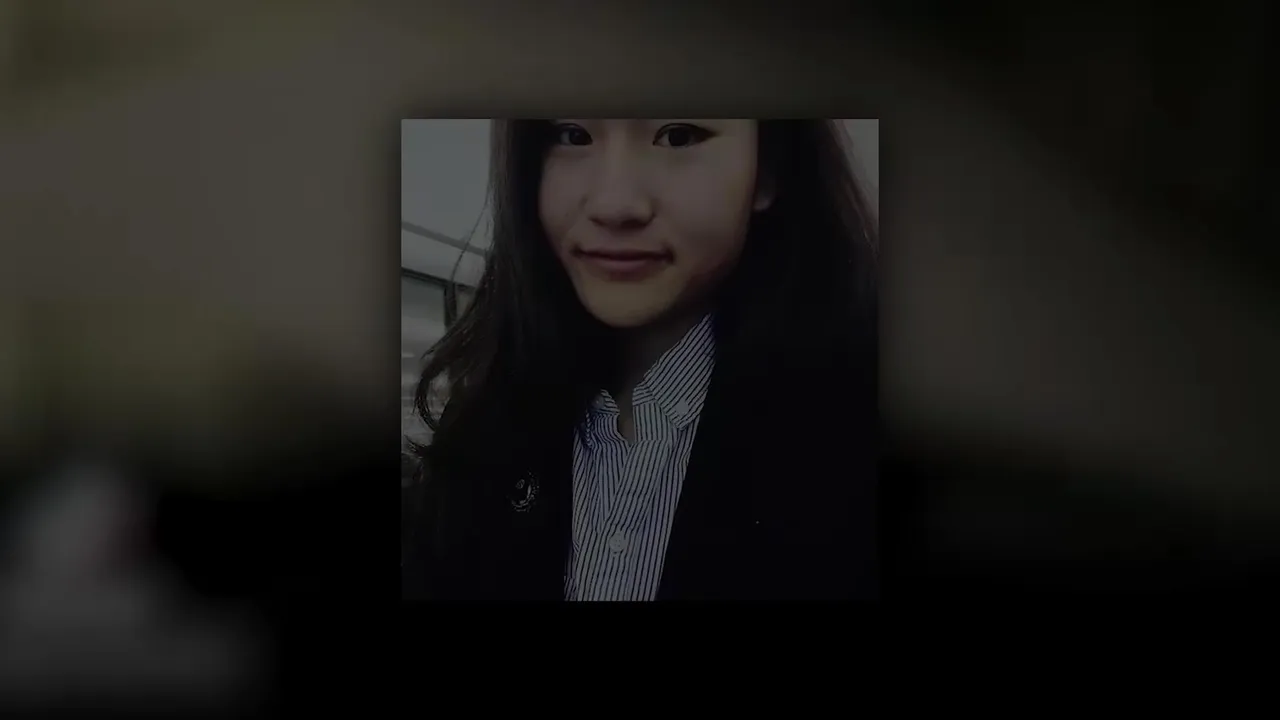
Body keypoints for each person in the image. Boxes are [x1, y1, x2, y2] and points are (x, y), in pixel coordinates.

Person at [402, 119, 878, 600]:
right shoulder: (484, 421)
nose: (614, 205)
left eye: (679, 136)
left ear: (767, 171)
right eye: (573, 135)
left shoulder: (858, 435)